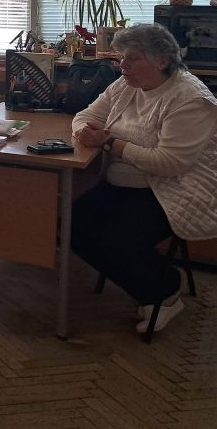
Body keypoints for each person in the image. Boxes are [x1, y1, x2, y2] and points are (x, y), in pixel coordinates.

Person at [70, 23, 217, 334]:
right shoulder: (127, 84)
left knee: (117, 241)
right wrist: (84, 132)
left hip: (174, 188)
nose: (123, 65)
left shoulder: (190, 98)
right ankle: (149, 284)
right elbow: (85, 116)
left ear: (162, 60)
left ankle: (165, 291)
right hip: (123, 183)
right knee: (72, 226)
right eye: (122, 57)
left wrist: (110, 143)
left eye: (133, 58)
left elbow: (170, 163)